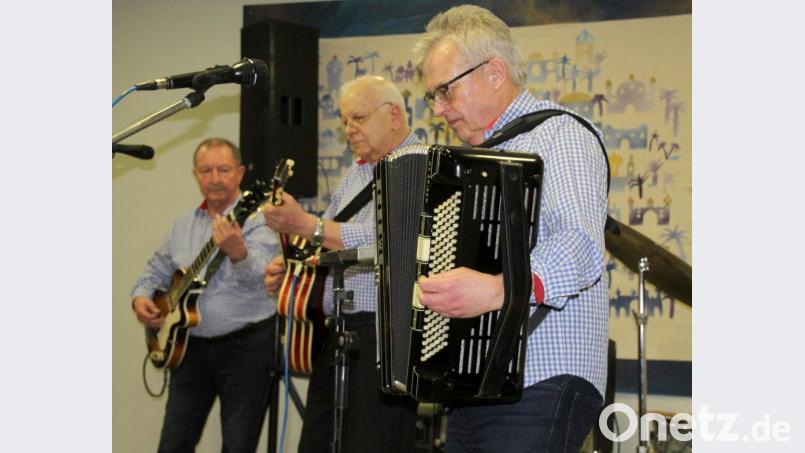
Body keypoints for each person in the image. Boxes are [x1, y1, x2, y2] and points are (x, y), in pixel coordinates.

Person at [412, 5, 610, 452]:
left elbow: (580, 246)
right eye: (434, 97)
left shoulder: (561, 133)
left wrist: (498, 288)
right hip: (475, 381)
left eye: (446, 91)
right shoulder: (471, 160)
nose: (440, 109)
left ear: (495, 72)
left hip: (544, 374)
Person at [261, 75, 420, 453]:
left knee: (371, 443)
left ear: (394, 114)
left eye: (358, 118)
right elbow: (325, 240)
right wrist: (293, 269)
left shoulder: (420, 164)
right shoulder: (355, 173)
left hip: (389, 338)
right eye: (345, 121)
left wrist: (305, 224)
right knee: (317, 442)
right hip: (341, 333)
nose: (349, 129)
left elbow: (389, 240)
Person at [130, 137, 279, 453]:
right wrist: (141, 298)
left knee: (238, 446)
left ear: (239, 173)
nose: (214, 179)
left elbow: (268, 281)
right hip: (189, 349)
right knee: (173, 444)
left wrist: (240, 254)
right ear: (195, 175)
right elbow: (153, 272)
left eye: (223, 170)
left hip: (246, 349)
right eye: (206, 170)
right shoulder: (182, 226)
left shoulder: (260, 220)